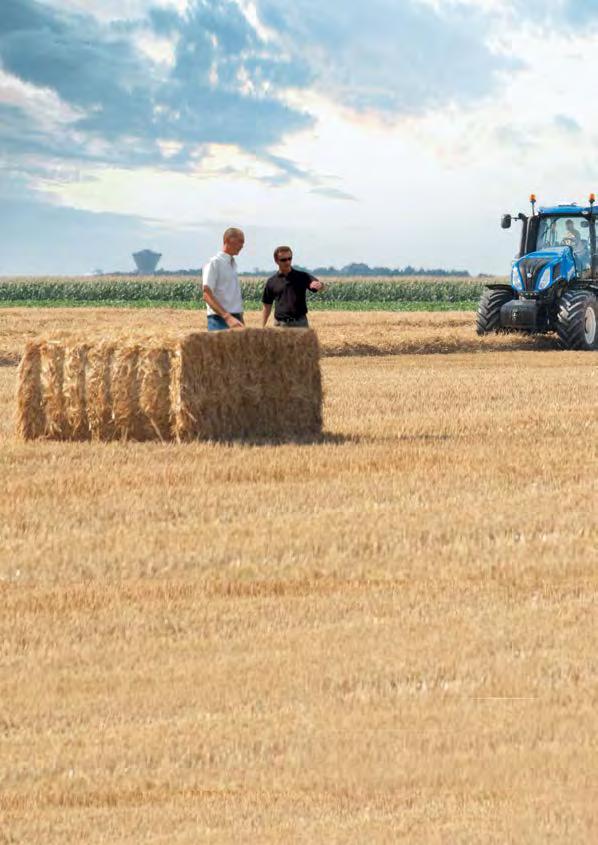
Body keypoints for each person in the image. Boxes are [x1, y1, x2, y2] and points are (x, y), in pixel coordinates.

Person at [262, 246, 324, 328]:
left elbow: (321, 286)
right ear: (276, 261)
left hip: (300, 324)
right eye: (283, 260)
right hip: (280, 325)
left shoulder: (302, 276)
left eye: (289, 258)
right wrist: (262, 326)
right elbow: (267, 305)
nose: (287, 262)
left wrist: (320, 285)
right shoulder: (271, 281)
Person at [202, 228, 245, 331]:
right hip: (219, 320)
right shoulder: (214, 263)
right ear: (228, 240)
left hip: (236, 318)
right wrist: (227, 317)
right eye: (240, 241)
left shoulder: (233, 264)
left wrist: (240, 318)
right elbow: (207, 294)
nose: (242, 246)